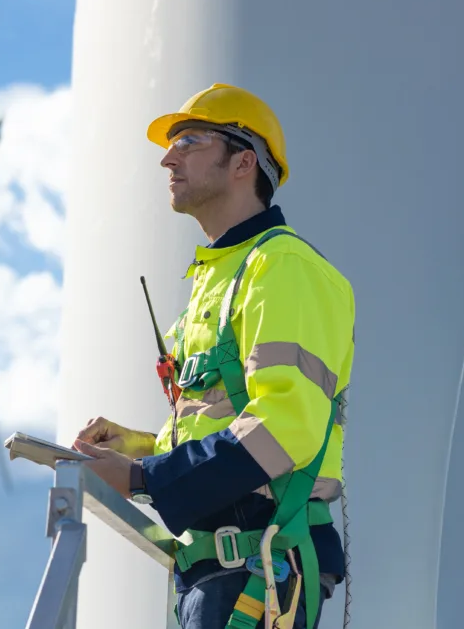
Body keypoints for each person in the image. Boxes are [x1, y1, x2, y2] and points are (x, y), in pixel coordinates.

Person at [72, 83, 354, 629]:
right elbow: (229, 422)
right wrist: (142, 447)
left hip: (261, 568)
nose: (167, 157)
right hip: (219, 572)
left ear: (244, 162)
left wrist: (146, 477)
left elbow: (285, 427)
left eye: (191, 141)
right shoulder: (222, 276)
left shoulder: (283, 267)